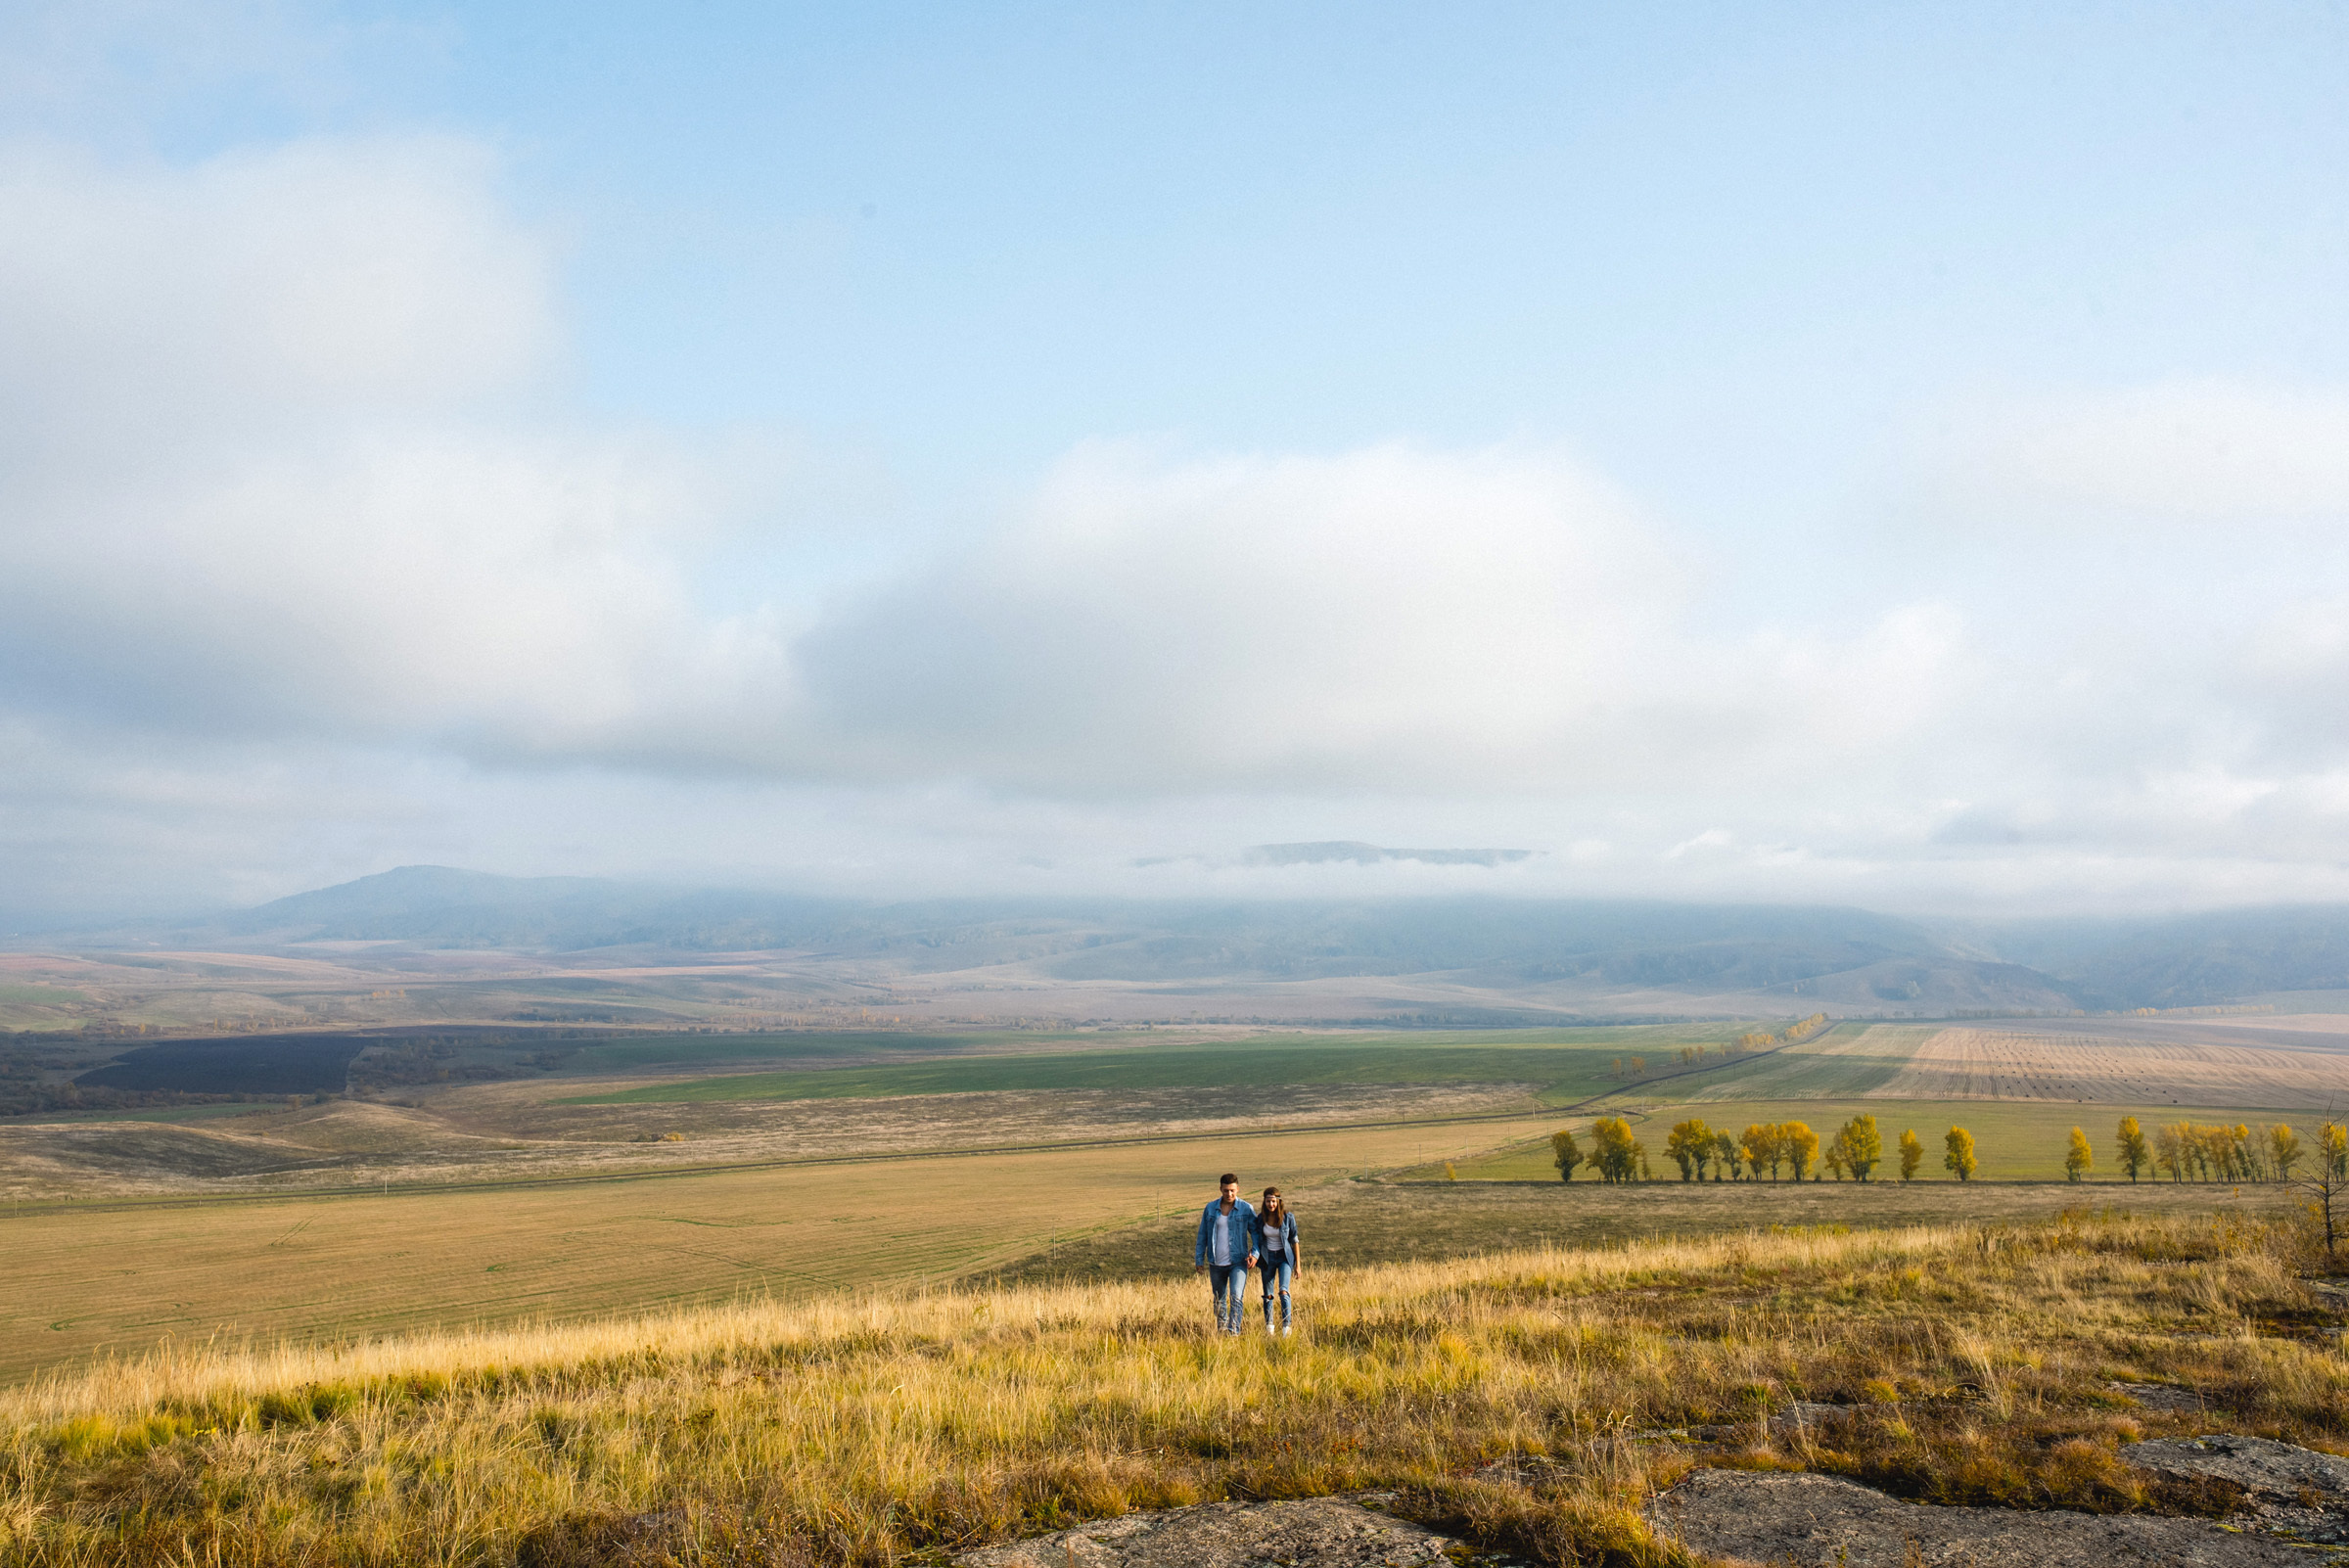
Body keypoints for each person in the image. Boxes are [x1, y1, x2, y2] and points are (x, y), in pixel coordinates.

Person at [1193, 1173, 1257, 1334]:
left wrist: (1255, 1254)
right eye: (1226, 1190)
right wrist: (1199, 1259)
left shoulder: (1246, 1208)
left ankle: (1233, 1331)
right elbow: (1203, 1235)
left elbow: (1257, 1234)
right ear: (1220, 1189)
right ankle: (1221, 1331)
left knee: (1236, 1296)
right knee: (1219, 1299)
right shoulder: (1210, 1208)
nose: (1229, 1194)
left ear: (1238, 1189)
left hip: (1238, 1261)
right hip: (1216, 1262)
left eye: (1232, 1191)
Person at [1254, 1185, 1299, 1335]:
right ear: (1264, 1202)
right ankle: (1270, 1328)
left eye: (1273, 1201)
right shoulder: (1261, 1219)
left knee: (1283, 1291)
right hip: (1267, 1258)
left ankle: (1287, 1327)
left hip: (1284, 1257)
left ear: (1278, 1201)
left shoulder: (1288, 1218)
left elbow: (1294, 1241)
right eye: (1268, 1201)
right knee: (1268, 1294)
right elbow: (1257, 1240)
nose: (1271, 1204)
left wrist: (1297, 1265)